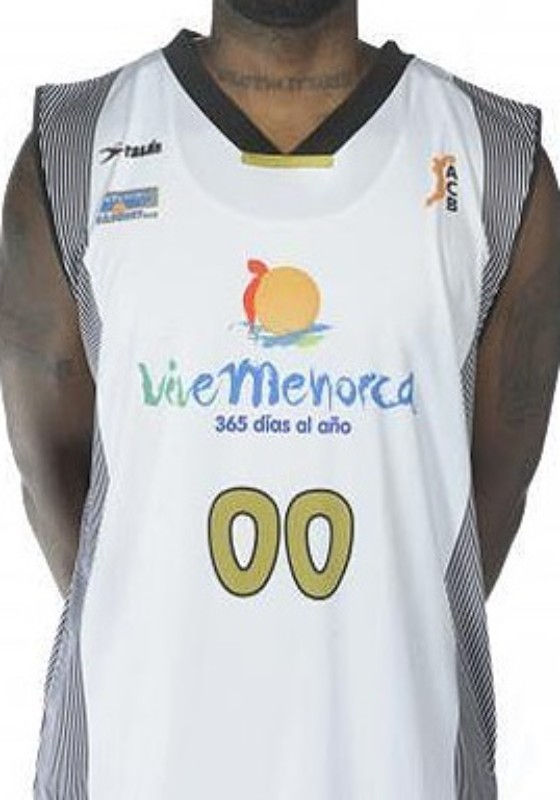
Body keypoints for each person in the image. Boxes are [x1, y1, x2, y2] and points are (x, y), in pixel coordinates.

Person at [1, 0, 559, 797]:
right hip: (134, 766)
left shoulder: (496, 160)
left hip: (400, 767)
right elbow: (48, 462)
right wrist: (169, 606)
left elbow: (490, 491)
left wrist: (375, 617)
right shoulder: (74, 148)